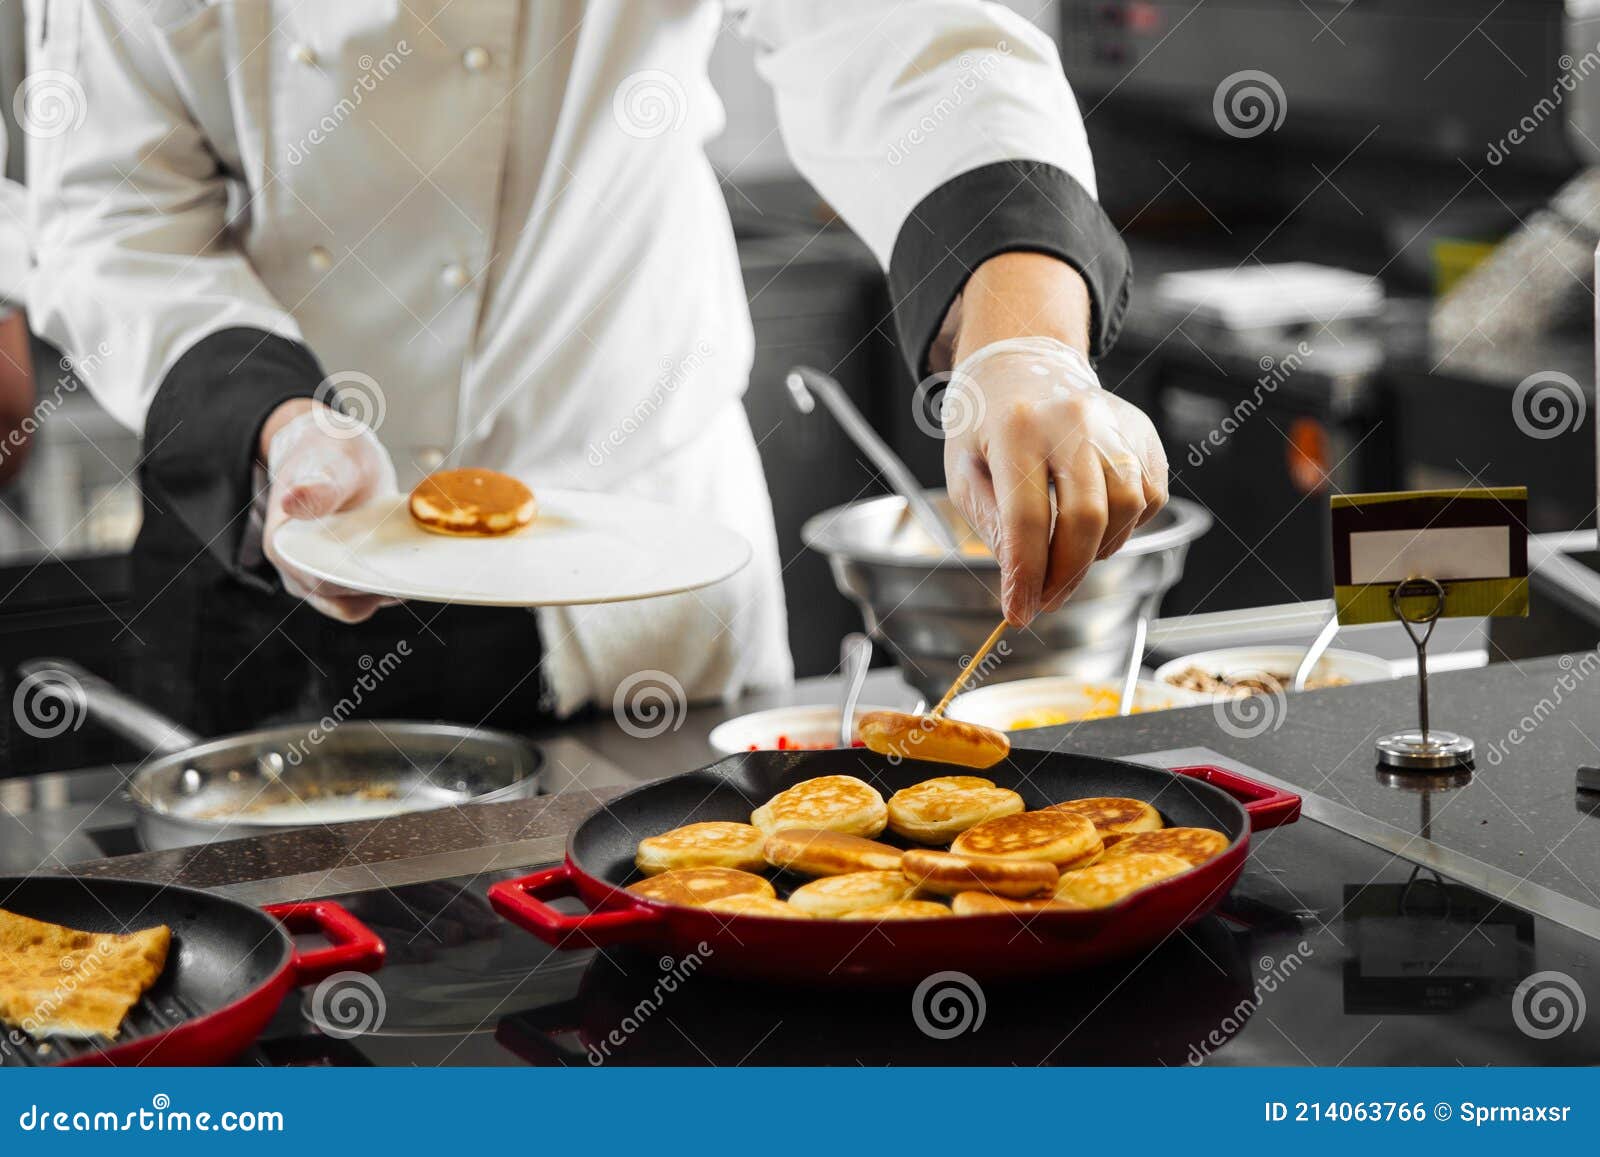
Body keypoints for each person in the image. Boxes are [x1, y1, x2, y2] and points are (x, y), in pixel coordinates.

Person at [24, 1, 1165, 733]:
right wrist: (273, 425)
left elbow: (902, 44)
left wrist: (1023, 339)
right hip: (267, 543)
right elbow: (112, 213)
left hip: (630, 573)